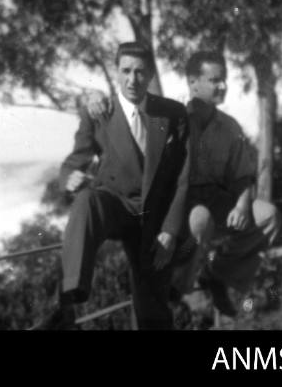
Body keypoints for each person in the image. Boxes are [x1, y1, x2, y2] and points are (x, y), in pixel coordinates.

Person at [87, 51, 281, 319]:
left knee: (268, 215)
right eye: (214, 80)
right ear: (193, 83)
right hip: (178, 205)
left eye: (223, 80)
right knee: (200, 219)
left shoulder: (230, 127)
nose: (222, 86)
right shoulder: (171, 116)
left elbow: (243, 176)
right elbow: (129, 111)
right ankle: (180, 289)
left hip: (217, 200)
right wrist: (94, 96)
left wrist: (242, 204)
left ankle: (219, 275)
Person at [33, 41, 190, 330]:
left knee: (151, 305)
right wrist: (69, 179)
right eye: (126, 71)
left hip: (154, 221)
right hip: (116, 205)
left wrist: (170, 230)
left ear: (151, 73)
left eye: (141, 72)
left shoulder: (173, 114)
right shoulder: (99, 112)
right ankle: (70, 298)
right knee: (86, 201)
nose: (133, 80)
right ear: (116, 72)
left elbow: (183, 176)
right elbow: (73, 162)